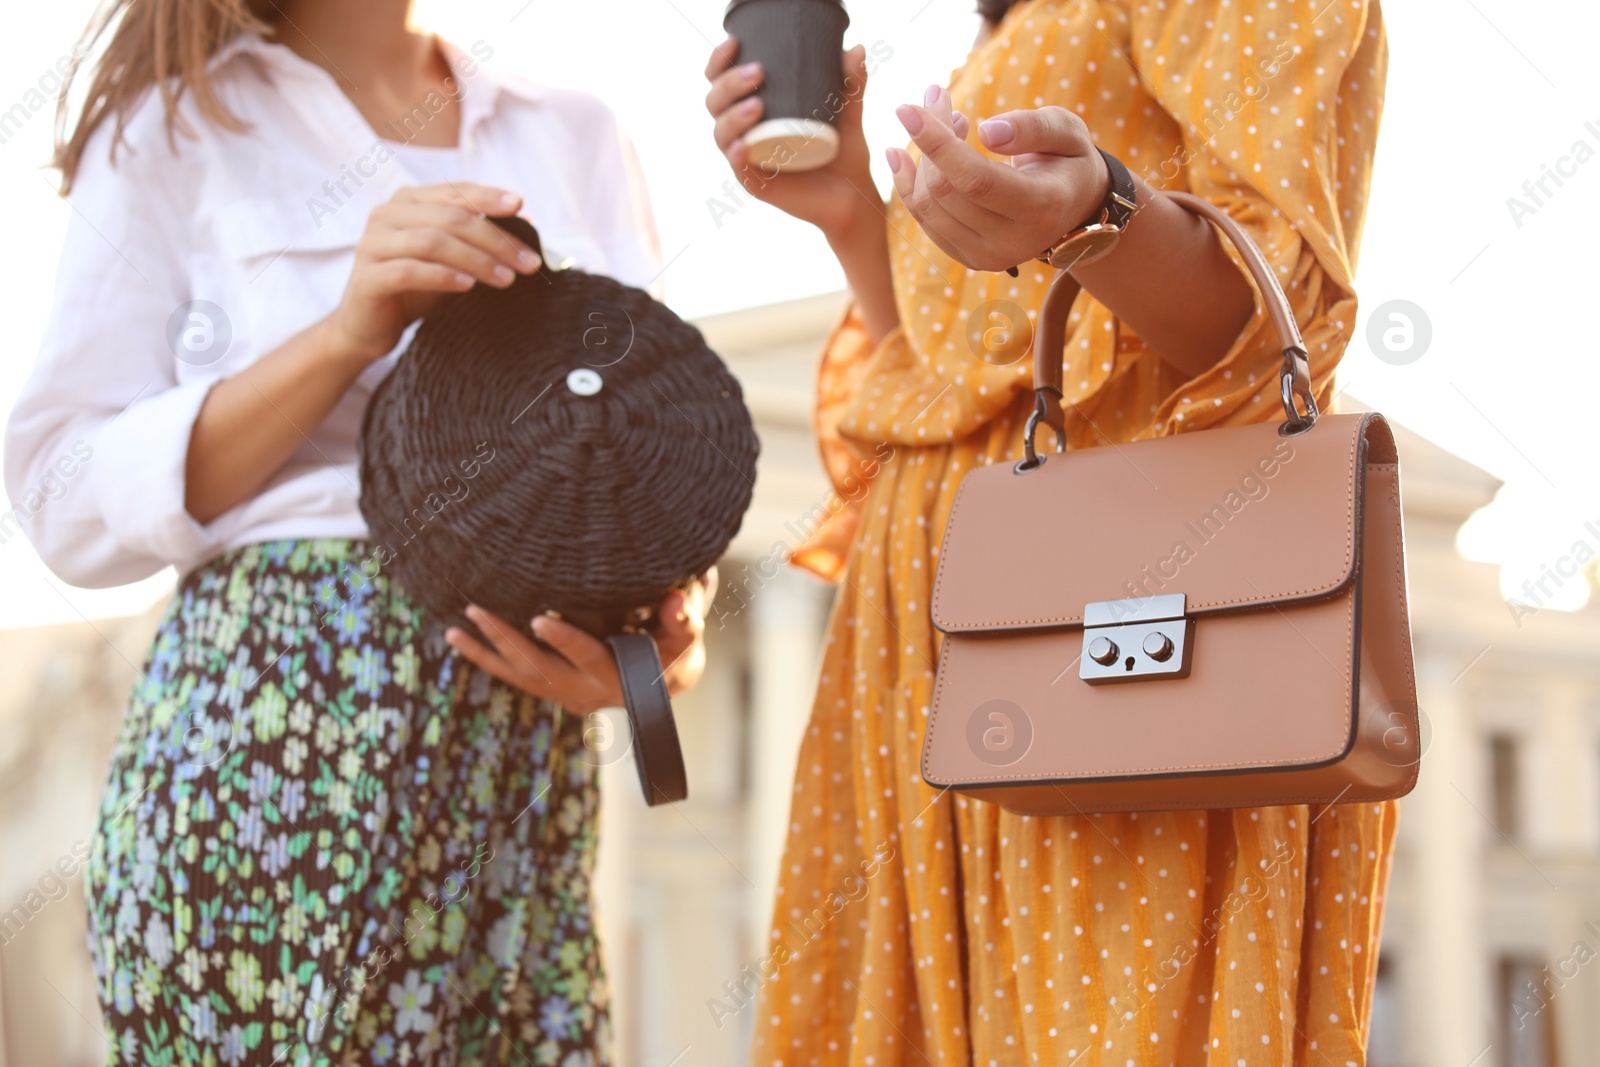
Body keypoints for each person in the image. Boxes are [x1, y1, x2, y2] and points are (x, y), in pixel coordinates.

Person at [6, 1, 705, 1063]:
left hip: (520, 768)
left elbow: (648, 459)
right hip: (269, 731)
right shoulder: (173, 128)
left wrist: (660, 638)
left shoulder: (576, 132)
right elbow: (61, 497)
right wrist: (342, 333)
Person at [706, 0, 1390, 1061]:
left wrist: (1099, 217)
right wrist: (850, 208)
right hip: (949, 629)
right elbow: (959, 378)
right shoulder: (1008, 21)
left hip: (1129, 623)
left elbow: (1269, 322)